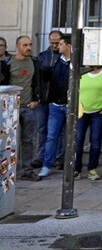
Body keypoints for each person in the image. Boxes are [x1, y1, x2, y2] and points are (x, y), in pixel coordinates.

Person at [3, 36, 41, 181]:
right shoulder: (8, 63)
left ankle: (27, 170)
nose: (28, 48)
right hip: (11, 107)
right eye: (25, 45)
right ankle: (6, 170)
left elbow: (38, 82)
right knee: (7, 141)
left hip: (28, 107)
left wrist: (36, 99)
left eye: (30, 45)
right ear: (17, 46)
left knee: (28, 140)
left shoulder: (34, 62)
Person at [74, 64, 102, 180]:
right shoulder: (80, 74)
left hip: (98, 112)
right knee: (78, 140)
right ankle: (75, 169)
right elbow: (72, 91)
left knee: (95, 140)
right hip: (81, 112)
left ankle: (92, 169)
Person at [37, 33, 72, 177]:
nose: (58, 46)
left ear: (69, 46)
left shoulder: (76, 63)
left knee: (71, 137)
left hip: (70, 105)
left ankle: (71, 165)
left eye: (61, 44)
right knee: (51, 136)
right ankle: (47, 165)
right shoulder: (57, 61)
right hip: (55, 106)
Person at [32, 29, 62, 169]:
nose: (55, 46)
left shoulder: (63, 57)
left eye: (57, 43)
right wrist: (37, 95)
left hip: (57, 98)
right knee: (41, 128)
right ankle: (40, 156)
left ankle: (59, 156)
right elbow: (37, 77)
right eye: (52, 43)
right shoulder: (42, 56)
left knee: (58, 130)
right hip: (43, 98)